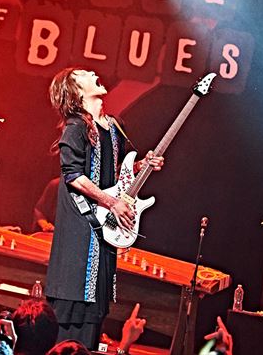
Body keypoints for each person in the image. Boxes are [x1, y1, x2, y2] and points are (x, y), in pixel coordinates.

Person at [45, 68, 164, 349]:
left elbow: (118, 174)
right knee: (72, 313)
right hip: (80, 231)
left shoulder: (114, 126)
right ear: (76, 91)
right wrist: (112, 203)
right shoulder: (75, 126)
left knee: (93, 315)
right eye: (83, 73)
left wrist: (141, 166)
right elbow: (73, 175)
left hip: (102, 233)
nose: (92, 72)